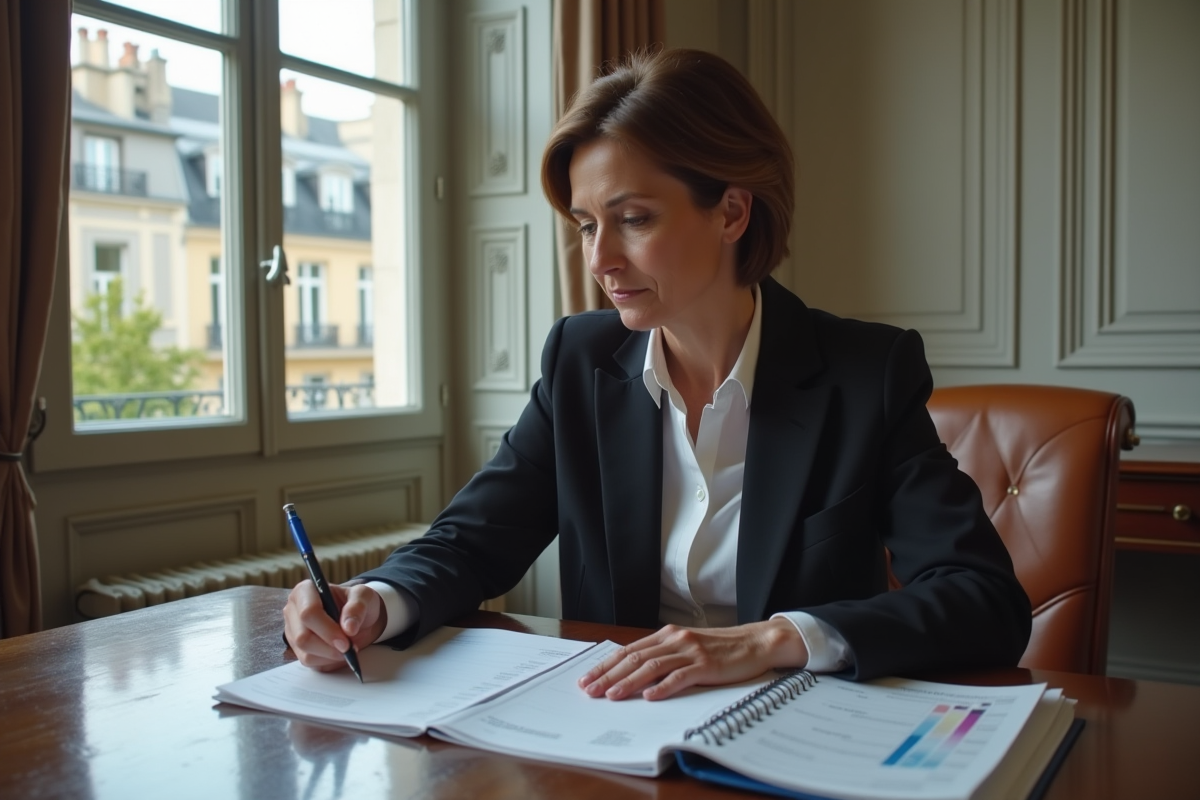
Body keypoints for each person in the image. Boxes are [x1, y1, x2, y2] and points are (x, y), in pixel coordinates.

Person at [283, 48, 1031, 701]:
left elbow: (985, 600)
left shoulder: (864, 375)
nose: (600, 258)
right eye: (586, 225)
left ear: (731, 212)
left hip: (792, 735)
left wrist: (772, 639)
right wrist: (376, 599)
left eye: (634, 219)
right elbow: (473, 540)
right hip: (614, 732)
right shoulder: (579, 362)